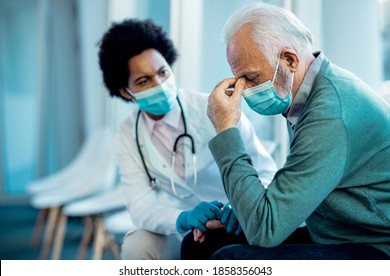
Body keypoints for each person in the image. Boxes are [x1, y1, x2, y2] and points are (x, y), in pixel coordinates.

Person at [191, 2, 390, 260]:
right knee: (201, 244)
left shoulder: (330, 114)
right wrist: (244, 207)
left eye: (250, 78)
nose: (242, 91)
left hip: (375, 246)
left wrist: (226, 130)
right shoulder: (306, 93)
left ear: (289, 60)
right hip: (334, 231)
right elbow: (295, 189)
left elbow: (265, 230)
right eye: (238, 80)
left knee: (232, 260)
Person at [97, 18, 277, 260]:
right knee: (137, 245)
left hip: (237, 223)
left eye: (162, 72)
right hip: (184, 229)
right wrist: (183, 218)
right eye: (143, 81)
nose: (159, 84)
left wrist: (244, 206)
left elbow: (267, 173)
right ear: (125, 92)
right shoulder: (129, 133)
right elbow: (140, 206)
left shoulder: (213, 107)